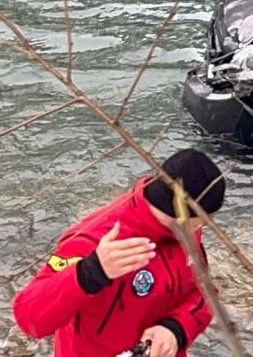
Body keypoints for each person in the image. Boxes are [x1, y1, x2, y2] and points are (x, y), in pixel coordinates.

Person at [13, 148, 226, 357]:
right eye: (205, 220)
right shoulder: (95, 239)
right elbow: (29, 317)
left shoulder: (186, 234)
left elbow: (204, 292)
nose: (208, 225)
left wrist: (175, 330)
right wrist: (90, 272)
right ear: (183, 215)